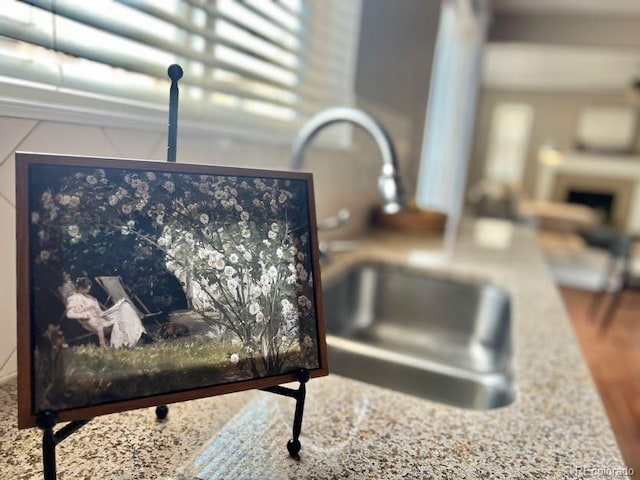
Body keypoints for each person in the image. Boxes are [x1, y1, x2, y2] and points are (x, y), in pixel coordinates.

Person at [65, 277, 146, 348]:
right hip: (92, 322)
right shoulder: (74, 298)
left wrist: (109, 315)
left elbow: (100, 313)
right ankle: (122, 344)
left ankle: (136, 336)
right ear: (80, 287)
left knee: (125, 306)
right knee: (119, 319)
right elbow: (70, 314)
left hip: (101, 318)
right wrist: (84, 315)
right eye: (86, 288)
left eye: (88, 288)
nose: (88, 290)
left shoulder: (91, 298)